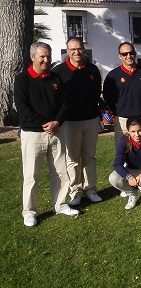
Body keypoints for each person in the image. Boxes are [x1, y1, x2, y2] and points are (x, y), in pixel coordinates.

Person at [14, 42, 79, 227]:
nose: (46, 60)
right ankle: (29, 212)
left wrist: (57, 122)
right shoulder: (22, 80)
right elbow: (23, 109)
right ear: (32, 57)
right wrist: (45, 125)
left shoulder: (55, 78)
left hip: (56, 131)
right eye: (42, 56)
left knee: (60, 172)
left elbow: (65, 104)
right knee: (31, 175)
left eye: (48, 56)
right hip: (33, 135)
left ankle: (60, 204)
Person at [52, 37, 103, 206]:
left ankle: (91, 189)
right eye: (72, 49)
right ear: (67, 51)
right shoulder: (59, 72)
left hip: (90, 119)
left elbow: (96, 94)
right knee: (73, 158)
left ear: (84, 49)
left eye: (79, 48)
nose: (76, 52)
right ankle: (76, 191)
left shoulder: (93, 70)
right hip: (69, 122)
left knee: (89, 156)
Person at [103, 42, 141, 147]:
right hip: (122, 121)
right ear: (120, 56)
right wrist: (118, 111)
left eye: (131, 53)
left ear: (135, 54)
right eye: (125, 54)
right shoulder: (112, 76)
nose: (129, 56)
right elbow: (108, 97)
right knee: (123, 153)